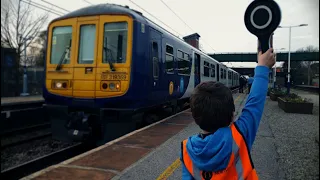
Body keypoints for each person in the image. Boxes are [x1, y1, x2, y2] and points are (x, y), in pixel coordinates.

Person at [180, 48, 275, 180]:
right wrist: (263, 67)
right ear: (232, 115)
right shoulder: (240, 135)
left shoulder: (187, 149)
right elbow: (255, 103)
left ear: (195, 117)